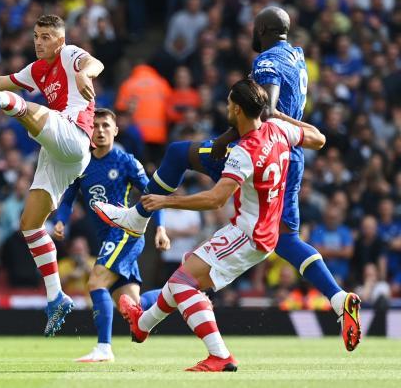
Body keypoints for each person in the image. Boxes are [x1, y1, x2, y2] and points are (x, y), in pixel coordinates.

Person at [94, 6, 361, 352]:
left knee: (178, 153)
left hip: (256, 152)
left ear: (261, 30)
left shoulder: (266, 62)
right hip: (289, 156)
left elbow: (264, 111)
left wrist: (224, 140)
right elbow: (306, 131)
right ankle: (338, 298)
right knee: (286, 239)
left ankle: (138, 216)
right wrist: (283, 129)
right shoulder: (297, 55)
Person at [118, 78, 326, 372]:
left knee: (182, 283)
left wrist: (166, 201)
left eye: (229, 103)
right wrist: (280, 115)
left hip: (248, 234)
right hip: (261, 230)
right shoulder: (278, 129)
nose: (226, 108)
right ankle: (142, 325)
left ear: (238, 109)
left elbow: (216, 199)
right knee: (183, 274)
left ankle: (220, 355)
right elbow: (318, 138)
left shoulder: (245, 151)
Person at [0, 14, 104, 336]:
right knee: (30, 225)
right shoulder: (37, 70)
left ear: (60, 40)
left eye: (46, 37)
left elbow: (95, 63)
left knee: (24, 108)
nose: (39, 42)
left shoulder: (69, 55)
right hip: (57, 153)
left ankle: (0, 105)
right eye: (36, 36)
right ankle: (56, 297)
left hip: (75, 136)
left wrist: (84, 74)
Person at [53, 108, 170, 362]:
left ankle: (104, 348)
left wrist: (160, 228)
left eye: (106, 125)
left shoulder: (126, 161)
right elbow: (68, 199)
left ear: (115, 130)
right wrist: (61, 221)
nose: (100, 130)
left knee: (95, 283)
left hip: (125, 232)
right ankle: (182, 292)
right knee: (132, 305)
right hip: (107, 238)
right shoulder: (81, 163)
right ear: (89, 131)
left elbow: (153, 196)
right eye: (95, 126)